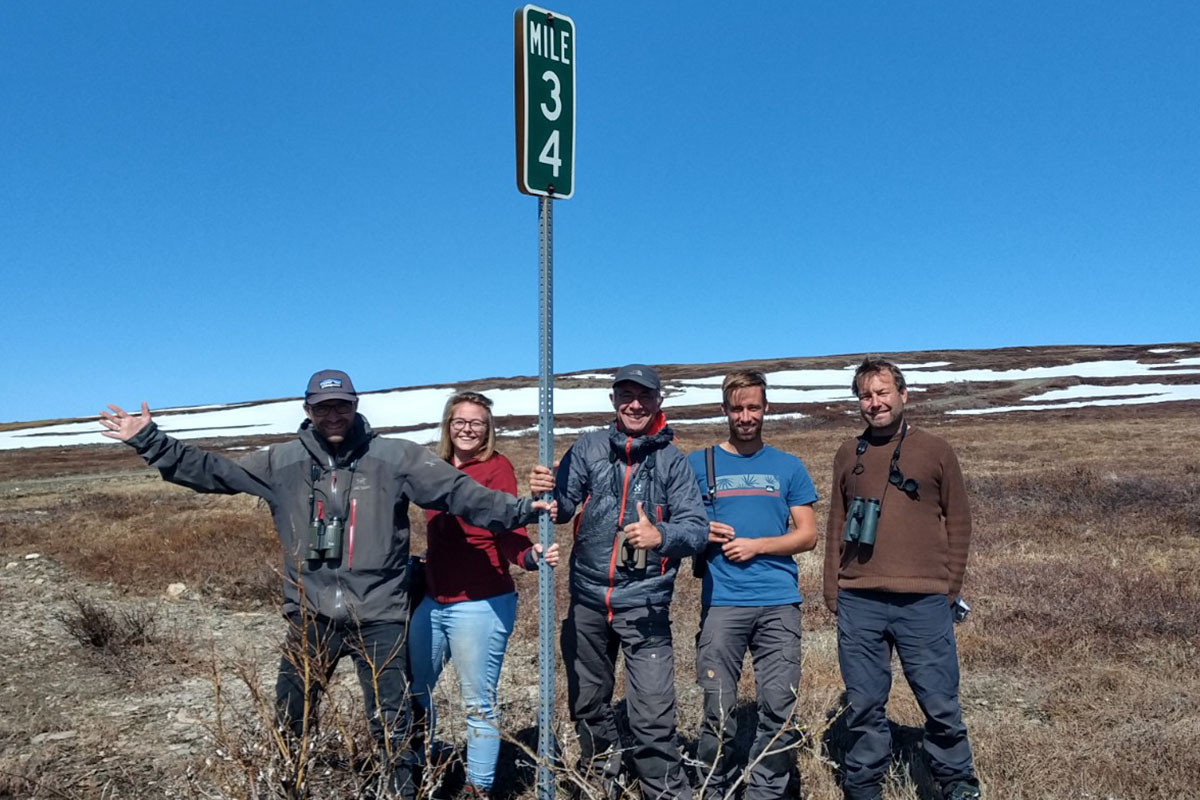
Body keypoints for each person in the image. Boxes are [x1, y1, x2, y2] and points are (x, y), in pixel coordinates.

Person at [99, 370, 553, 800]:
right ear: (308, 409)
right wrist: (148, 440)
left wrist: (521, 511)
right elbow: (213, 472)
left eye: (341, 406)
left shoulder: (394, 457)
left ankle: (400, 790)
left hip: (379, 617)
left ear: (355, 406)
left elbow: (461, 493)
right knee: (293, 715)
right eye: (323, 407)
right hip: (311, 616)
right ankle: (289, 786)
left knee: (392, 720)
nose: (333, 416)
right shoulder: (282, 461)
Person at [529, 364, 707, 800]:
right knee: (588, 704)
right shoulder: (588, 447)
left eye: (644, 396)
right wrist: (545, 490)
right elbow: (562, 507)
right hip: (588, 600)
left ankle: (664, 792)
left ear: (658, 401)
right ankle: (602, 779)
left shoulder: (672, 462)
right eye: (625, 395)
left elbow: (697, 529)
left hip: (645, 606)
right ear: (613, 401)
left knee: (652, 716)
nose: (634, 404)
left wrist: (660, 536)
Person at [823, 358, 981, 800]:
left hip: (924, 599)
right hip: (859, 598)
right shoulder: (846, 453)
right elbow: (836, 522)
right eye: (866, 396)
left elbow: (960, 521)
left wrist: (949, 588)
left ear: (904, 395)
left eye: (882, 393)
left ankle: (956, 782)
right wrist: (832, 588)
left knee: (940, 702)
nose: (874, 403)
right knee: (865, 704)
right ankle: (864, 785)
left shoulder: (936, 450)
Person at [409, 391, 560, 800]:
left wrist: (528, 556)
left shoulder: (496, 468)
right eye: (460, 421)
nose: (468, 429)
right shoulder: (434, 468)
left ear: (488, 428)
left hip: (480, 603)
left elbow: (508, 524)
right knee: (413, 691)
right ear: (448, 424)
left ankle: (479, 787)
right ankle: (418, 768)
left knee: (477, 703)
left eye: (477, 422)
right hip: (433, 599)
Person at [687, 370, 818, 800]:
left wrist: (758, 546)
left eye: (753, 407)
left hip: (779, 602)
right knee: (717, 709)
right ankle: (712, 788)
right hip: (722, 605)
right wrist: (702, 532)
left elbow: (807, 534)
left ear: (766, 409)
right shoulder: (698, 463)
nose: (746, 416)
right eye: (737, 408)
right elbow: (676, 525)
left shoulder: (787, 467)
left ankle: (765, 792)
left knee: (779, 707)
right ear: (724, 410)